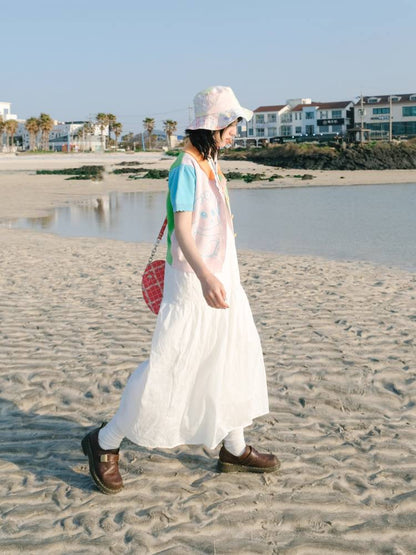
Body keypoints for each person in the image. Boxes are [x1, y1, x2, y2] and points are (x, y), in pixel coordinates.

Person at [81, 86, 280, 494]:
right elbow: (184, 233)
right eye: (233, 125)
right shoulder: (185, 167)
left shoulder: (209, 162)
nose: (236, 132)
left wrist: (221, 277)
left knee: (229, 355)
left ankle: (234, 446)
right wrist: (207, 278)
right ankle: (105, 442)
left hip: (222, 279)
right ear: (214, 125)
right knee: (169, 365)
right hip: (194, 285)